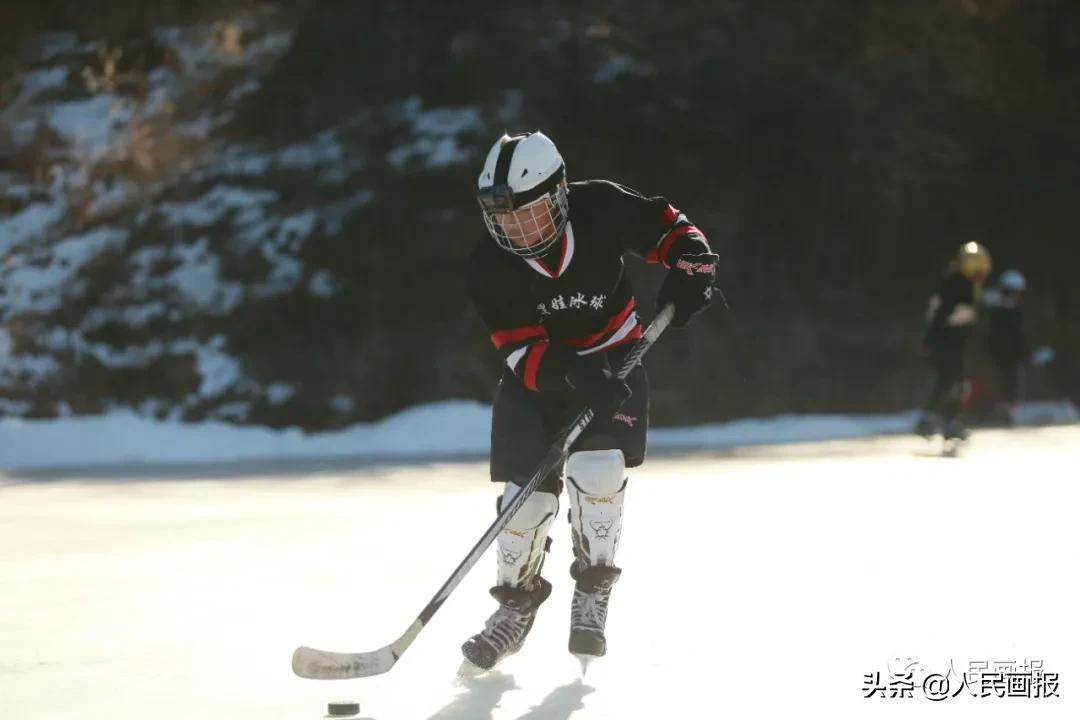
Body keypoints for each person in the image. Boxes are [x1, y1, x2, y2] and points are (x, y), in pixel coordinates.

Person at [462, 131, 718, 670]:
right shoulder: (489, 264)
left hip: (615, 363)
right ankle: (516, 604)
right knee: (523, 505)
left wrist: (691, 258)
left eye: (525, 214)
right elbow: (519, 353)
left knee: (599, 472)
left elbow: (669, 227)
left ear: (557, 195)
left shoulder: (598, 206)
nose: (514, 229)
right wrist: (575, 373)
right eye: (501, 218)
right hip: (541, 382)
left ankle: (593, 590)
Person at [914, 242, 992, 441]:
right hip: (944, 342)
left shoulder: (970, 286)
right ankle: (932, 419)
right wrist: (929, 340)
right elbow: (939, 316)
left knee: (956, 383)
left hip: (956, 343)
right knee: (949, 381)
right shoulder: (955, 283)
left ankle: (947, 421)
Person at [982, 269, 1028, 423]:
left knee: (1008, 380)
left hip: (1001, 351)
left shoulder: (1007, 307)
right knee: (1006, 380)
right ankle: (1002, 411)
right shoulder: (1003, 309)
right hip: (1001, 351)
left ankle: (1005, 410)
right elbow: (1014, 334)